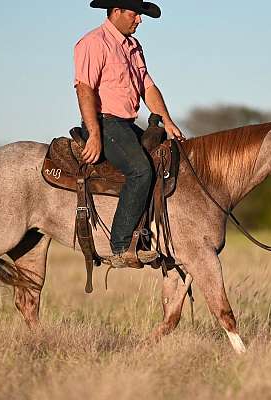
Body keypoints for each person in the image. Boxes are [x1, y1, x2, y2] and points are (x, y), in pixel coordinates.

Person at [74, 0, 184, 269]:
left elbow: (148, 87)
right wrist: (95, 134)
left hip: (125, 123)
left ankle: (148, 235)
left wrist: (167, 121)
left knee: (163, 160)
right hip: (104, 122)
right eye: (135, 14)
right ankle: (122, 246)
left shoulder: (134, 47)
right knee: (140, 171)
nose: (140, 20)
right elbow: (85, 89)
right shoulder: (93, 42)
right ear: (116, 11)